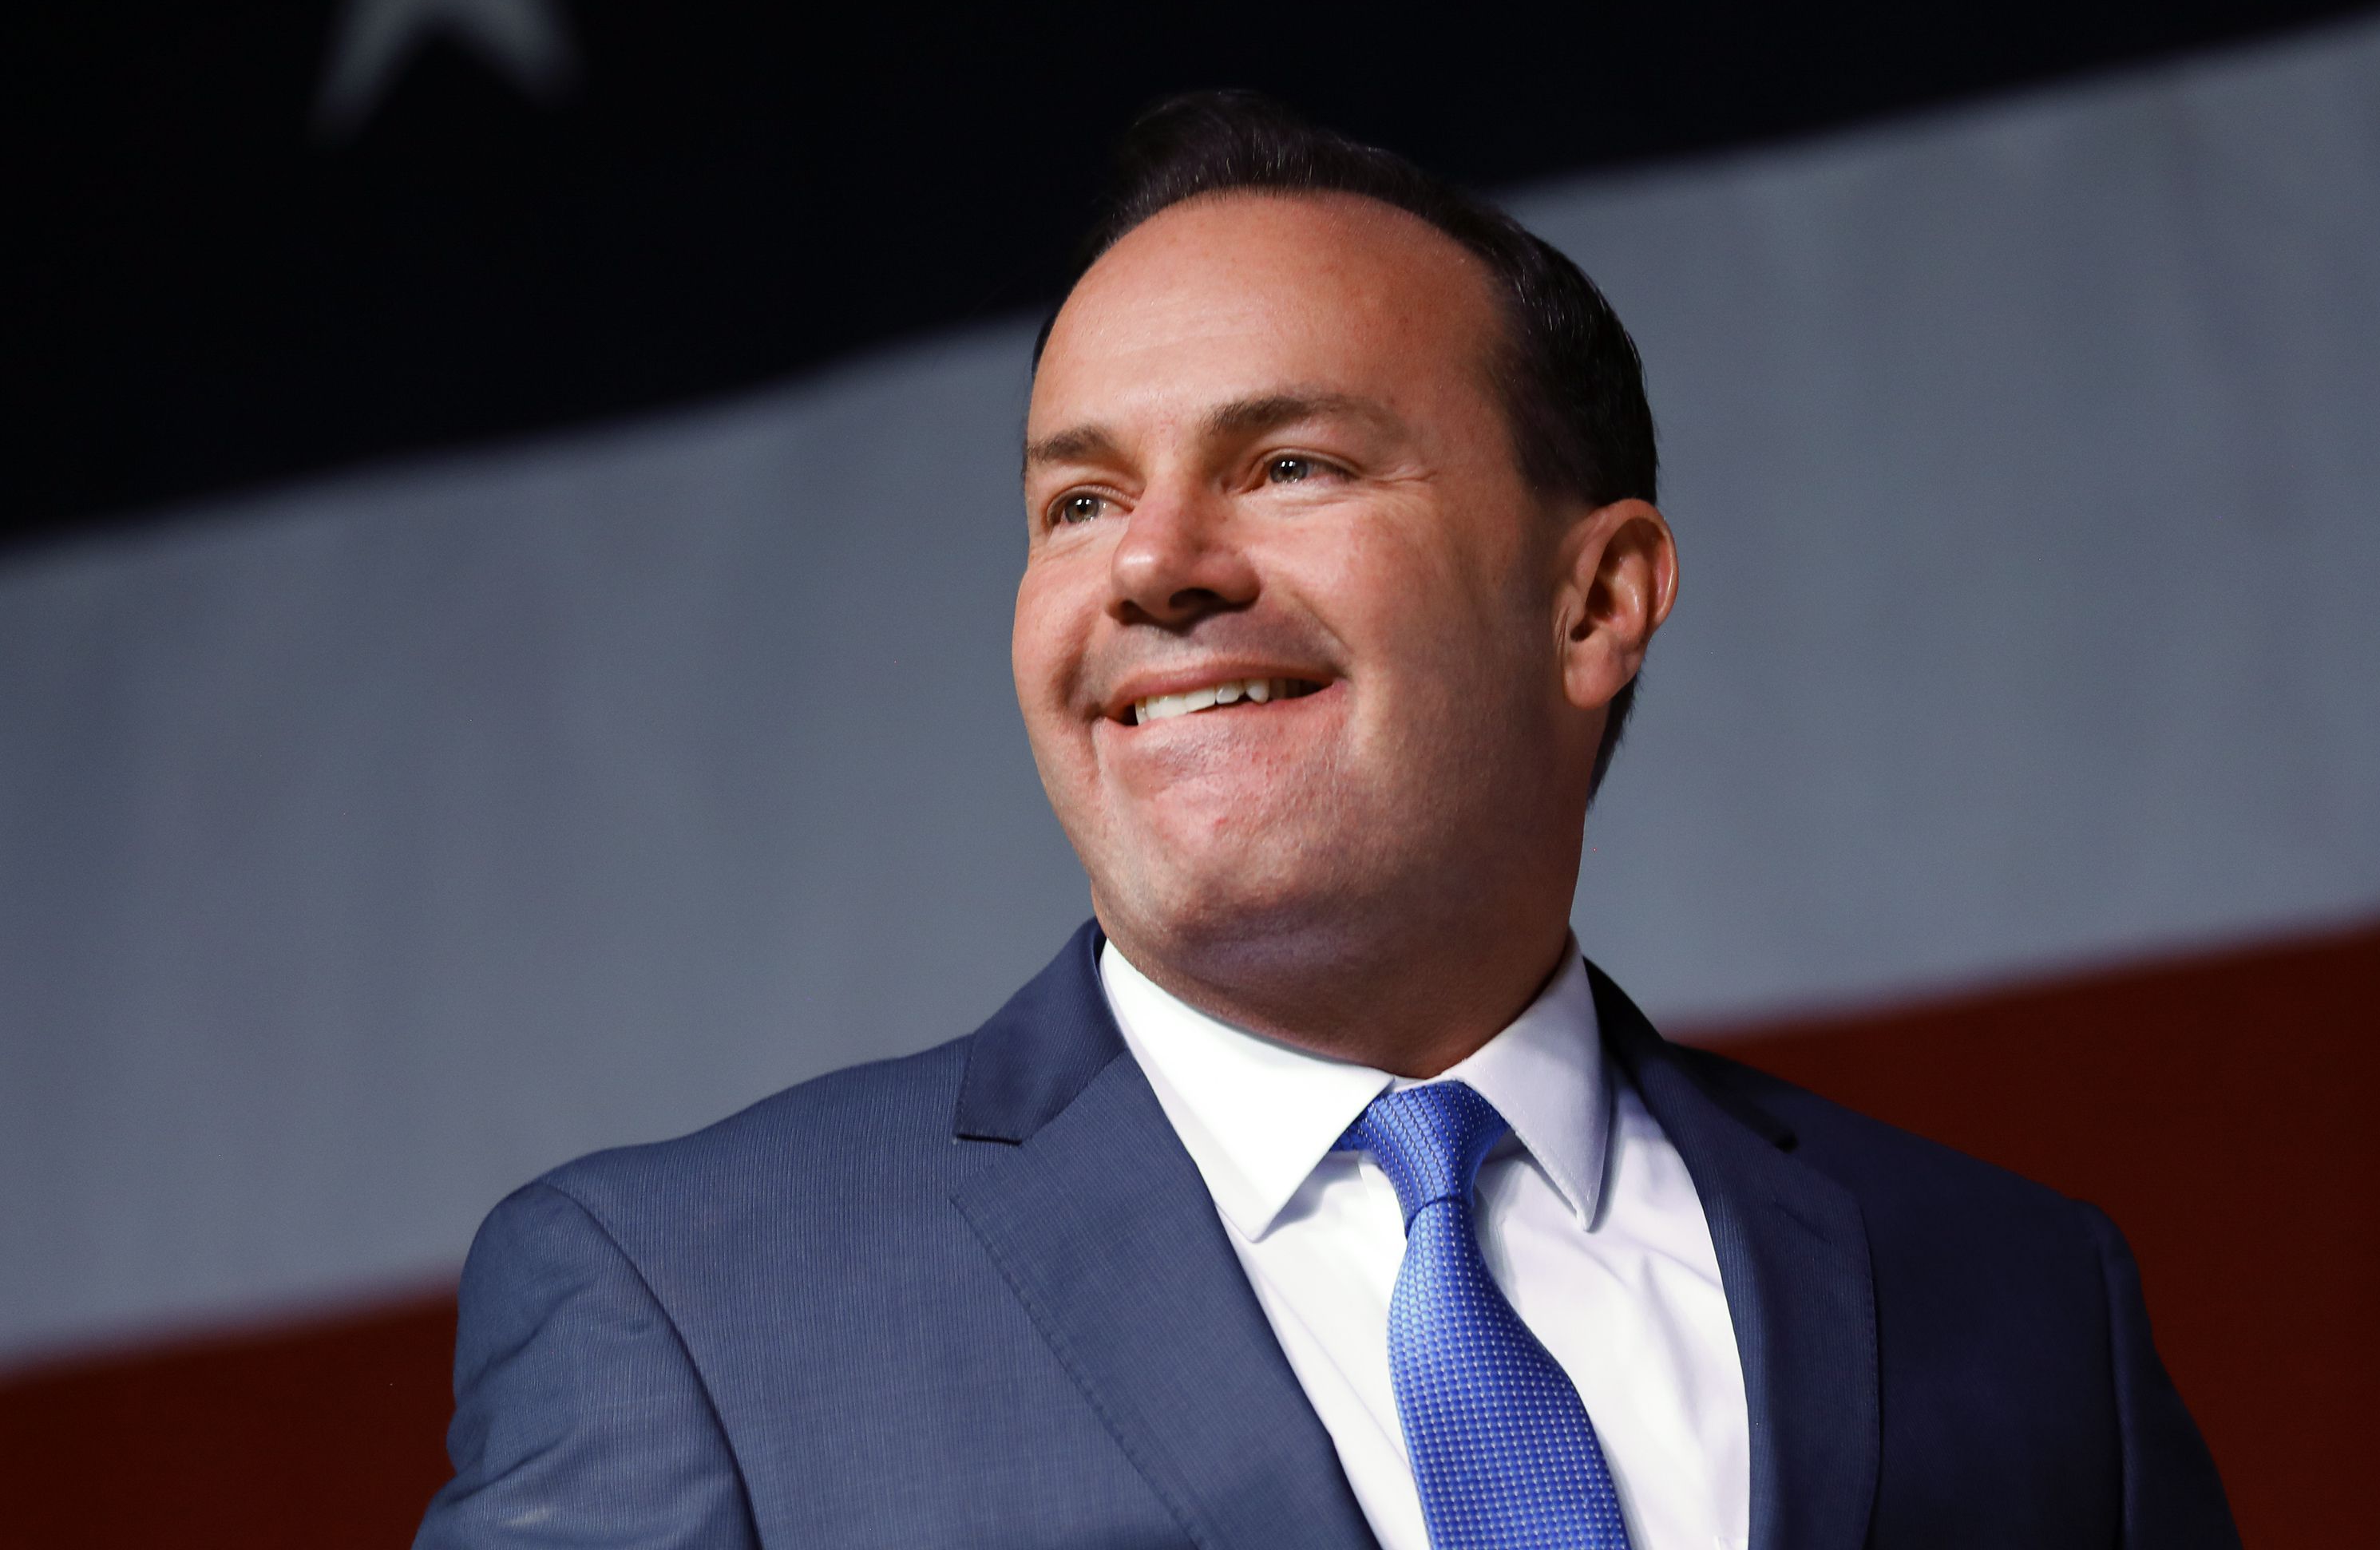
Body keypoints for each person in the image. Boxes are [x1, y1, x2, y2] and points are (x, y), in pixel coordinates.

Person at [415, 93, 2238, 1549]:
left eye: (1287, 464)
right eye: (1078, 499)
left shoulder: (2014, 1302)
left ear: (1595, 603)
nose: (1154, 565)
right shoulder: (693, 1310)